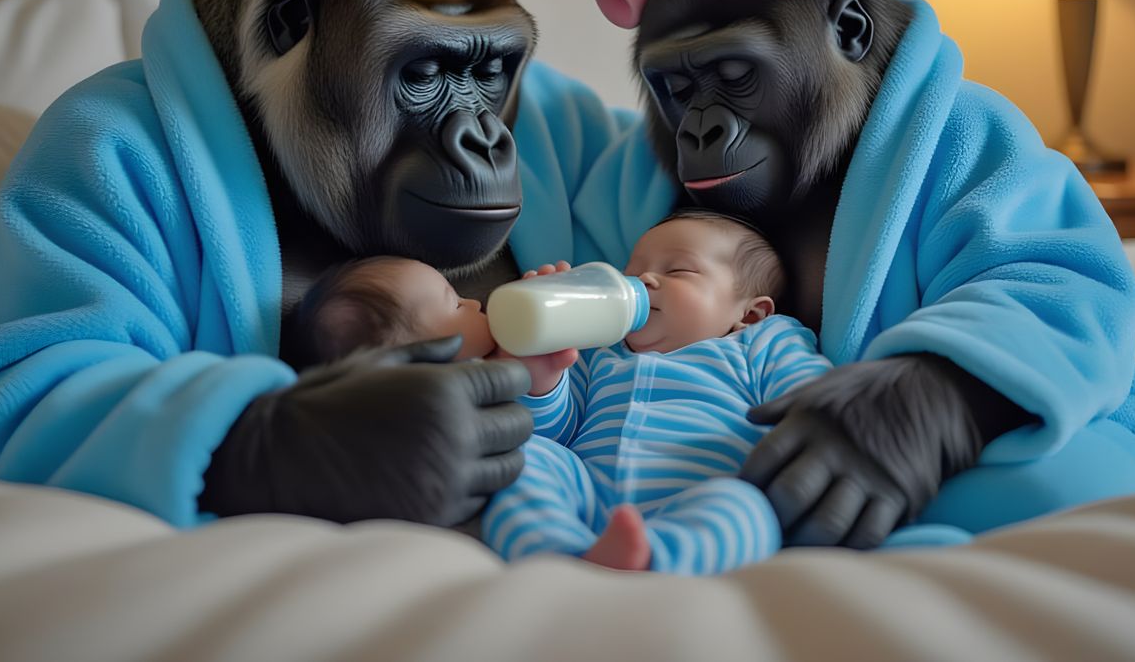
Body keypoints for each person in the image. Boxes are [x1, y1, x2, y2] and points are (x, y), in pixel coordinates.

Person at [295, 210, 870, 574]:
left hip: (701, 486)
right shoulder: (601, 351)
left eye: (679, 271)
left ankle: (658, 564)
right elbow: (555, 427)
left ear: (748, 313)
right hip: (588, 493)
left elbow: (813, 403)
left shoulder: (762, 344)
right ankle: (562, 559)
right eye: (635, 267)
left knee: (747, 511)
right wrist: (545, 371)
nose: (642, 280)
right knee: (534, 460)